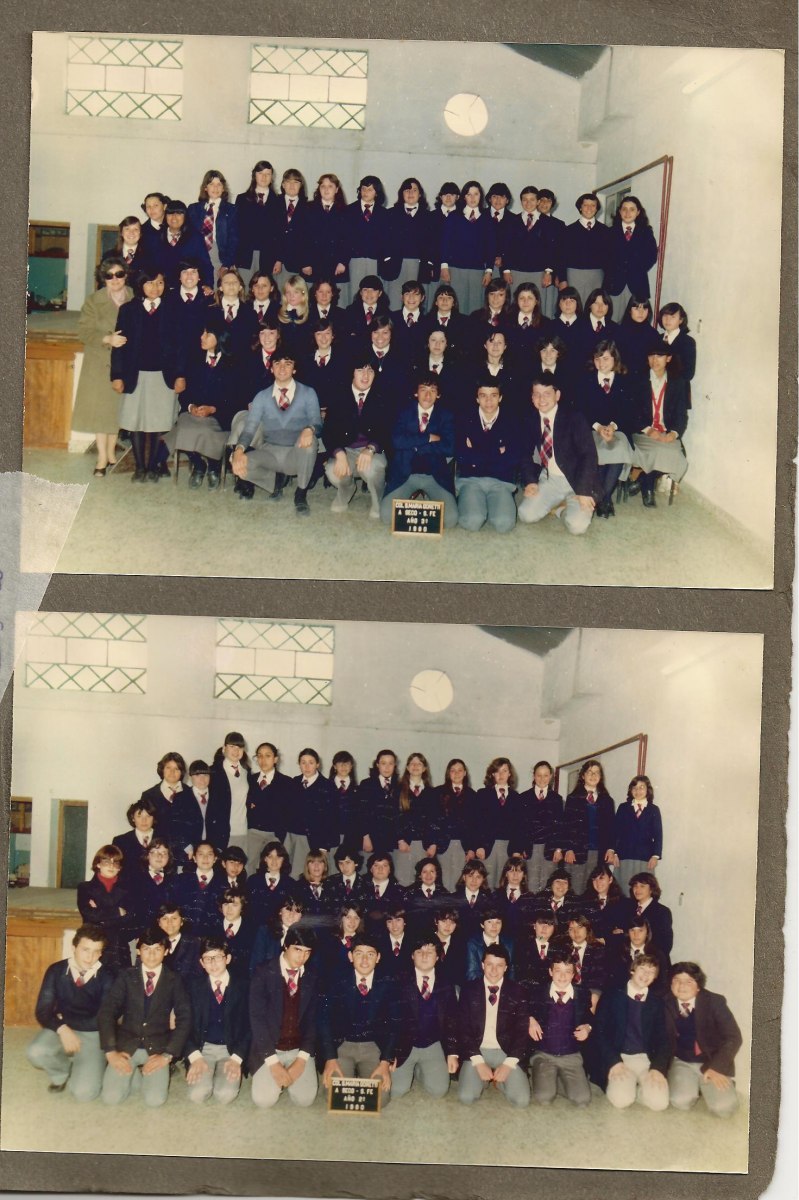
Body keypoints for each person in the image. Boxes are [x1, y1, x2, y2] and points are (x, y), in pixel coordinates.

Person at [98, 926, 191, 1107]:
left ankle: (145, 1075)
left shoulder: (174, 979)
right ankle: (133, 1076)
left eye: (158, 949)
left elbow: (185, 1018)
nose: (152, 955)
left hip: (157, 1048)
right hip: (126, 1045)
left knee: (155, 1100)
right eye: (146, 949)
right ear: (138, 951)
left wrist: (167, 1055)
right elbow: (107, 1012)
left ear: (166, 951)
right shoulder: (126, 976)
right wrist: (111, 1052)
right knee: (111, 1098)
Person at [110, 266, 182, 483]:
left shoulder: (173, 310)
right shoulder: (128, 310)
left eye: (160, 283)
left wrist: (180, 375)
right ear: (141, 284)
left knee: (157, 424)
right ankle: (140, 467)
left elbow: (181, 347)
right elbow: (119, 346)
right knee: (136, 423)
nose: (155, 287)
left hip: (163, 376)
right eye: (150, 282)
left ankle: (152, 467)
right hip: (136, 374)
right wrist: (117, 375)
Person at [26, 924, 114, 1100]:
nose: (90, 957)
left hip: (93, 1032)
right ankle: (61, 1072)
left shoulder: (108, 976)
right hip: (63, 1026)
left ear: (101, 953)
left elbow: (104, 1018)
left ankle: (94, 1062)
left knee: (84, 1094)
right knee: (35, 1052)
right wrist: (63, 1029)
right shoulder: (56, 970)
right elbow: (42, 1010)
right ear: (74, 948)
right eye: (85, 950)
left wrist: (66, 1022)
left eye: (96, 951)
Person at [230, 349, 321, 516]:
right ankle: (274, 482)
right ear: (271, 369)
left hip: (295, 453)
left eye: (288, 364)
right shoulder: (262, 396)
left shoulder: (308, 393)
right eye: (277, 364)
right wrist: (238, 449)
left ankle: (301, 494)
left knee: (310, 443)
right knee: (236, 462)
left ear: (295, 369)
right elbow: (249, 428)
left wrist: (310, 429)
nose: (282, 368)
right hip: (269, 452)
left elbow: (317, 422)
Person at [319, 933, 399, 1104]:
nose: (364, 960)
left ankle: (361, 1072)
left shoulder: (389, 982)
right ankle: (349, 1071)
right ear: (350, 956)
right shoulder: (336, 980)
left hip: (373, 1046)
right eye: (358, 953)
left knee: (379, 1100)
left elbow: (394, 1025)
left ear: (378, 958)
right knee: (334, 1097)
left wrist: (385, 1062)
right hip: (342, 1046)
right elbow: (324, 1020)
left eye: (370, 954)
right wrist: (330, 1058)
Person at [517, 375, 600, 535]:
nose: (541, 399)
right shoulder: (530, 419)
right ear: (532, 398)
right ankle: (558, 503)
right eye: (536, 394)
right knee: (525, 515)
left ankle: (561, 509)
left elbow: (588, 455)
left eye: (547, 394)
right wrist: (530, 481)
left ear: (558, 395)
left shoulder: (574, 417)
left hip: (576, 480)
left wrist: (584, 491)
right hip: (551, 479)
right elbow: (524, 453)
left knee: (577, 527)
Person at [71, 256, 132, 476]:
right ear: (103, 278)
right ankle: (102, 457)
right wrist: (107, 339)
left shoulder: (134, 297)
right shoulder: (93, 301)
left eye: (119, 274)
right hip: (100, 362)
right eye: (109, 275)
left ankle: (112, 452)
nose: (115, 279)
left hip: (125, 362)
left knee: (116, 410)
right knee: (101, 412)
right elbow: (83, 332)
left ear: (125, 275)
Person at [249, 927, 320, 1109]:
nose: (302, 957)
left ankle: (289, 1077)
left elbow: (313, 1022)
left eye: (307, 952)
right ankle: (276, 1078)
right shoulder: (263, 972)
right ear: (285, 946)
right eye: (297, 950)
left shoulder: (312, 976)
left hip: (298, 1048)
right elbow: (257, 1019)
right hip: (270, 1048)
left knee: (304, 1100)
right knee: (264, 1101)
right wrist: (273, 1063)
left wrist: (302, 1060)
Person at [590, 954, 670, 1111]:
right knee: (621, 1101)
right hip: (620, 1057)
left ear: (655, 977)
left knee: (659, 1104)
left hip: (646, 1059)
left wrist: (658, 1068)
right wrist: (614, 1062)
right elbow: (599, 1032)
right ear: (633, 970)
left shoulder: (657, 1002)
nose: (646, 974)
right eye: (642, 969)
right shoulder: (612, 996)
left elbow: (663, 1038)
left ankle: (640, 1090)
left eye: (651, 972)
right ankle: (630, 1088)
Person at [665, 962, 742, 1117]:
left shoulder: (714, 1002)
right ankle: (693, 1085)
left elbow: (733, 1037)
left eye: (689, 981)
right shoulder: (664, 1002)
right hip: (682, 1061)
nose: (682, 986)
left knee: (725, 1108)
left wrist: (716, 1068)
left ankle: (710, 1083)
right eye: (677, 980)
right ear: (671, 984)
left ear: (698, 986)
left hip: (711, 1060)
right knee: (680, 1101)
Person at [457, 945, 530, 1107]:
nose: (494, 970)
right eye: (489, 964)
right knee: (466, 1097)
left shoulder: (518, 991)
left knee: (521, 1101)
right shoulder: (469, 990)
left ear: (506, 968)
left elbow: (522, 1032)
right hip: (477, 1050)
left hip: (506, 1051)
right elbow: (463, 1028)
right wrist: (478, 1062)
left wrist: (508, 1064)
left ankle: (498, 1081)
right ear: (482, 965)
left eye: (499, 965)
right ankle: (482, 1079)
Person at [390, 936, 459, 1099]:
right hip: (405, 1046)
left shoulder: (446, 983)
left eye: (430, 952)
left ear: (437, 957)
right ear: (412, 956)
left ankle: (421, 1070)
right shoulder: (398, 981)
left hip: (433, 1044)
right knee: (397, 1090)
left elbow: (452, 1021)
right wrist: (389, 1054)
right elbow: (390, 1021)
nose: (425, 956)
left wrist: (452, 1053)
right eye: (419, 952)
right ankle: (411, 1068)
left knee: (439, 1091)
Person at [322, 358, 391, 519]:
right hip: (346, 449)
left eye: (370, 371)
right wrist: (339, 453)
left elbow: (387, 429)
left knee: (373, 469)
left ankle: (378, 500)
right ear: (352, 373)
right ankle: (347, 489)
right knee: (332, 471)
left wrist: (371, 448)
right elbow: (328, 431)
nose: (365, 376)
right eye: (360, 370)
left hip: (372, 450)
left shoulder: (383, 395)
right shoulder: (339, 394)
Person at [184, 938, 249, 1105]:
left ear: (228, 959)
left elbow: (250, 1027)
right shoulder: (192, 987)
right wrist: (194, 1057)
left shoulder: (243, 986)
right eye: (208, 959)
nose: (213, 963)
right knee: (197, 1095)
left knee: (225, 1095)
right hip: (203, 1048)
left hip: (230, 1049)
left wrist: (237, 1058)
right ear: (201, 963)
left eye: (218, 957)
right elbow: (183, 1025)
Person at [574, 340, 634, 518]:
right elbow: (580, 410)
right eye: (597, 359)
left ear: (615, 359)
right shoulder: (585, 380)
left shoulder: (625, 381)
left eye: (606, 358)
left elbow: (628, 411)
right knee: (595, 449)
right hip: (591, 428)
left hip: (618, 429)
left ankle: (602, 497)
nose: (601, 363)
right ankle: (605, 499)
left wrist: (613, 427)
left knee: (619, 448)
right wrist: (598, 427)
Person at [454, 381, 521, 534]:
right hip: (471, 480)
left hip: (500, 481)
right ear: (477, 398)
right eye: (483, 396)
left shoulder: (512, 420)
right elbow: (461, 455)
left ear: (500, 398)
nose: (489, 401)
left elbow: (514, 456)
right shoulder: (464, 418)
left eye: (493, 396)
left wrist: (475, 453)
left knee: (504, 524)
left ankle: (490, 505)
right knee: (472, 522)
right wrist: (498, 451)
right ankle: (472, 502)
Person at [528, 952, 593, 1107]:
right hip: (544, 1054)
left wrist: (588, 1027)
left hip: (571, 1055)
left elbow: (590, 1017)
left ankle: (556, 1079)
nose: (563, 976)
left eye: (568, 971)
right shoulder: (538, 992)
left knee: (582, 1099)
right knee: (544, 1097)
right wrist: (529, 1019)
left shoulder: (582, 994)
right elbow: (520, 1009)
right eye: (558, 971)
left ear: (574, 974)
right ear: (550, 972)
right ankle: (540, 1076)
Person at [628, 347, 689, 506]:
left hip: (665, 432)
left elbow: (681, 414)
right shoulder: (637, 379)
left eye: (660, 356)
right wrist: (648, 430)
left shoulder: (678, 382)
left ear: (668, 358)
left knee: (678, 457)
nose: (654, 360)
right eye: (651, 356)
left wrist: (674, 434)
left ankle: (642, 479)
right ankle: (648, 488)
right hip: (642, 431)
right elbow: (630, 412)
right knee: (656, 451)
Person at [501, 187, 562, 317]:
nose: (528, 203)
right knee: (516, 306)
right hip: (516, 272)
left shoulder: (548, 222)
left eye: (532, 199)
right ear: (521, 201)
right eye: (525, 200)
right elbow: (505, 247)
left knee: (537, 308)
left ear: (538, 201)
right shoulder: (511, 221)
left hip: (539, 273)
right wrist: (506, 270)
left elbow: (551, 249)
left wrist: (548, 271)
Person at [559, 759, 617, 894]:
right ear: (583, 775)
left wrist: (611, 849)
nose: (593, 775)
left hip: (599, 852)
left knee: (595, 890)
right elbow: (566, 826)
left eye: (597, 772)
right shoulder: (573, 798)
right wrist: (568, 849)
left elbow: (611, 828)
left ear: (601, 777)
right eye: (590, 772)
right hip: (577, 852)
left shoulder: (607, 800)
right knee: (576, 889)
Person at [439, 181, 495, 315]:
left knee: (476, 308)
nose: (472, 198)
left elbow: (491, 246)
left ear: (481, 196)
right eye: (469, 194)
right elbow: (445, 242)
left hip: (478, 271)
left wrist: (489, 270)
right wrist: (444, 266)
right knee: (457, 308)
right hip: (456, 269)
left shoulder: (487, 219)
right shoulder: (454, 216)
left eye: (476, 194)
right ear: (464, 197)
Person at [76, 845, 132, 969]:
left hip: (118, 948)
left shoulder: (128, 889)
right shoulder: (85, 888)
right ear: (98, 864)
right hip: (93, 944)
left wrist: (100, 912)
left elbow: (129, 918)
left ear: (120, 868)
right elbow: (89, 914)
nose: (111, 866)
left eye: (115, 862)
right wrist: (117, 912)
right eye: (106, 862)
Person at [383, 178, 433, 309]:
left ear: (420, 194)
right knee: (394, 302)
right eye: (407, 190)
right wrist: (387, 260)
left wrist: (429, 264)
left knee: (416, 303)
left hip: (419, 266)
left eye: (414, 190)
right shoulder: (390, 214)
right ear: (401, 193)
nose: (411, 193)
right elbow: (385, 240)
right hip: (395, 265)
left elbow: (432, 243)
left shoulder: (429, 216)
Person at [245, 741, 293, 875]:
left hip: (275, 834)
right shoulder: (250, 780)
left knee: (274, 868)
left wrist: (280, 835)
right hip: (253, 833)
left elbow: (288, 812)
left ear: (275, 759)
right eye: (259, 756)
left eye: (267, 756)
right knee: (249, 867)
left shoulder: (286, 782)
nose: (263, 760)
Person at [605, 196, 658, 316]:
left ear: (638, 212)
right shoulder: (610, 232)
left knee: (635, 320)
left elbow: (651, 256)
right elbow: (604, 257)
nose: (627, 213)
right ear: (619, 211)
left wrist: (637, 269)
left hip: (637, 284)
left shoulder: (646, 232)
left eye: (632, 209)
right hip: (614, 285)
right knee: (612, 319)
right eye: (624, 209)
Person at [516, 760, 564, 892]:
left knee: (547, 884)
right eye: (539, 775)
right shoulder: (523, 797)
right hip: (530, 849)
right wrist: (521, 847)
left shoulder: (557, 799)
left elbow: (560, 826)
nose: (542, 779)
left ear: (551, 776)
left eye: (546, 775)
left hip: (550, 849)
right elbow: (520, 826)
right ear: (534, 776)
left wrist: (558, 849)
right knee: (531, 885)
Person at [342, 177, 389, 306]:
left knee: (374, 297)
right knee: (355, 294)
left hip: (376, 261)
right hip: (354, 260)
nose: (366, 192)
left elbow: (386, 240)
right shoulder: (349, 210)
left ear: (377, 192)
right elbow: (344, 239)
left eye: (370, 189)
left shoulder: (384, 213)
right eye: (363, 188)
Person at [290, 747, 339, 874]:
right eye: (303, 762)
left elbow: (331, 818)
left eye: (311, 762)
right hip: (295, 838)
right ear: (299, 764)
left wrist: (324, 846)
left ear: (317, 764)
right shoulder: (294, 782)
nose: (307, 766)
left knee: (316, 875)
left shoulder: (327, 786)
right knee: (295, 874)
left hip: (317, 839)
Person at [613, 774, 663, 891]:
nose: (638, 791)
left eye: (641, 787)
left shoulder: (654, 810)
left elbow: (658, 834)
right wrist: (614, 853)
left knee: (642, 889)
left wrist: (655, 856)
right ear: (630, 790)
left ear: (648, 790)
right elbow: (616, 832)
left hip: (645, 858)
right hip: (624, 856)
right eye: (634, 788)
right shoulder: (623, 807)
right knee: (624, 889)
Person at [187, 169, 239, 281]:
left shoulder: (232, 210)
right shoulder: (193, 209)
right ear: (205, 188)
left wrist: (226, 264)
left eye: (219, 184)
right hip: (197, 256)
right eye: (211, 184)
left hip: (220, 257)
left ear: (223, 188)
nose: (215, 188)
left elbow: (234, 239)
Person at [561, 192, 611, 303]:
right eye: (585, 205)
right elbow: (561, 257)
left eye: (593, 205)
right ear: (580, 207)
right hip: (574, 275)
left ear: (597, 208)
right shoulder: (568, 231)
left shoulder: (605, 231)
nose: (589, 208)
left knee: (594, 306)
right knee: (575, 306)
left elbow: (608, 259)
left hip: (597, 276)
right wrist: (563, 279)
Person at [435, 758, 476, 892]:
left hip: (464, 846)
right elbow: (433, 820)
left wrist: (471, 848)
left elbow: (474, 825)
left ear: (465, 773)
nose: (457, 773)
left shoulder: (472, 795)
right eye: (453, 770)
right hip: (443, 845)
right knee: (444, 882)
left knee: (460, 883)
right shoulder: (438, 793)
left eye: (460, 770)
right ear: (448, 773)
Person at [234, 160, 279, 276]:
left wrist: (279, 259)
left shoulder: (279, 201)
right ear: (254, 175)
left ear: (272, 177)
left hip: (269, 257)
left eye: (268, 174)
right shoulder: (242, 199)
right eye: (260, 173)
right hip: (245, 256)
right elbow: (236, 230)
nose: (264, 177)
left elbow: (280, 233)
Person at [172, 841, 226, 937]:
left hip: (211, 938)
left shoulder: (224, 884)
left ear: (215, 859)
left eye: (209, 854)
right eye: (201, 854)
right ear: (194, 858)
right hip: (183, 936)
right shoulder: (181, 880)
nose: (205, 858)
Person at [271, 168, 312, 291]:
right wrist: (278, 259)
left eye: (296, 182)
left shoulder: (309, 207)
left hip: (298, 263)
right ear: (283, 185)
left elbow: (309, 238)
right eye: (288, 182)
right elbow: (272, 234)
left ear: (301, 185)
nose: (292, 185)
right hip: (275, 262)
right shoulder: (273, 204)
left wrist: (306, 262)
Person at [305, 174, 348, 284]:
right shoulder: (308, 208)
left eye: (330, 186)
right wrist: (305, 262)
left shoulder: (345, 211)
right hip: (313, 264)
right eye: (323, 186)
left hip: (336, 265)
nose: (326, 189)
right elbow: (302, 237)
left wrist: (343, 262)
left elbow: (348, 239)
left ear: (337, 189)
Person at [621, 873, 673, 955]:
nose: (637, 889)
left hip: (652, 958)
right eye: (635, 886)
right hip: (630, 956)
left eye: (642, 886)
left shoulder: (662, 912)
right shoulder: (628, 909)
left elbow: (665, 944)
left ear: (651, 889)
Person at [658, 301, 697, 403]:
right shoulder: (656, 339)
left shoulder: (688, 342)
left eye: (673, 317)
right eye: (665, 315)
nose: (668, 320)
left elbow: (688, 373)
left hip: (678, 394)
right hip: (656, 392)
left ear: (681, 320)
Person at [112, 797, 158, 881]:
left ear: (153, 818)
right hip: (129, 887)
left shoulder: (164, 838)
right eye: (139, 816)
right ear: (133, 818)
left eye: (148, 816)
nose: (144, 820)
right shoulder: (121, 841)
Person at [213, 888, 256, 976]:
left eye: (235, 905)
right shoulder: (211, 928)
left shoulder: (253, 930)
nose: (229, 909)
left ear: (242, 907)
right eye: (226, 904)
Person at [157, 903, 203, 983]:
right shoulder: (153, 944)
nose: (169, 922)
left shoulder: (195, 944)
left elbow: (198, 977)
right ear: (159, 923)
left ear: (182, 921)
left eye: (174, 918)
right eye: (165, 919)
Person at [465, 908, 515, 981]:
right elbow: (472, 974)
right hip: (480, 985)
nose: (494, 926)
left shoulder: (509, 942)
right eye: (489, 922)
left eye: (498, 922)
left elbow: (511, 971)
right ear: (482, 924)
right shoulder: (472, 943)